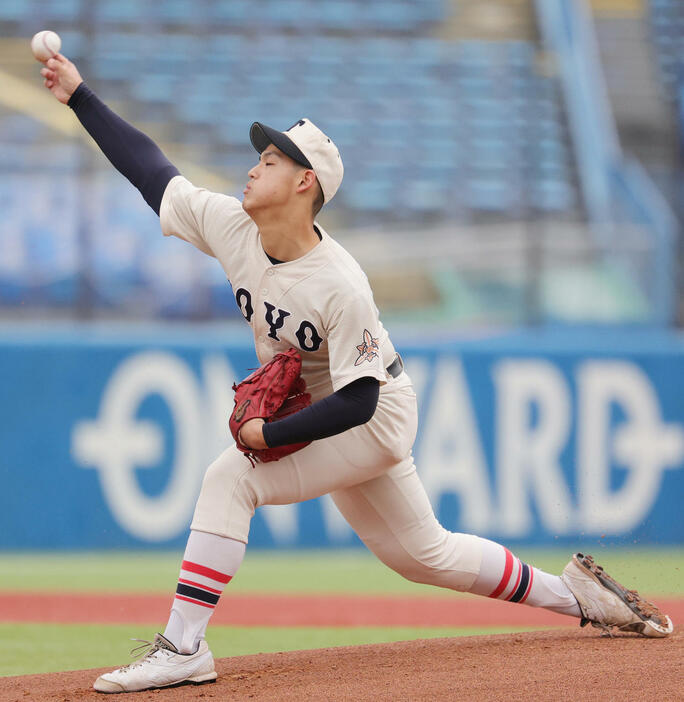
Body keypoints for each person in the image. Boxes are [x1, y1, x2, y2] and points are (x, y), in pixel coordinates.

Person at [39, 54, 673, 694]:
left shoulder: (340, 283)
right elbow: (153, 172)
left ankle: (182, 647)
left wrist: (267, 437)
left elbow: (362, 399)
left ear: (304, 183)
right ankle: (585, 598)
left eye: (272, 159)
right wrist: (79, 96)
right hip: (335, 407)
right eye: (260, 155)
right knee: (426, 556)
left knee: (231, 479)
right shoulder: (233, 226)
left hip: (372, 411)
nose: (254, 164)